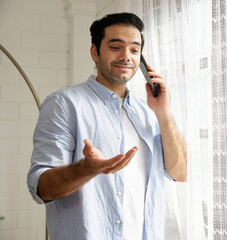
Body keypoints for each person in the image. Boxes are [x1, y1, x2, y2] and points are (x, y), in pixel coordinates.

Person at [27, 12, 187, 240]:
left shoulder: (150, 113)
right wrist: (88, 168)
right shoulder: (64, 104)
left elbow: (179, 173)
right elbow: (40, 188)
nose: (126, 56)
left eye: (134, 49)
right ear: (95, 52)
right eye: (115, 47)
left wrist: (164, 112)